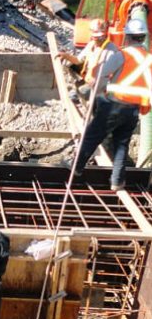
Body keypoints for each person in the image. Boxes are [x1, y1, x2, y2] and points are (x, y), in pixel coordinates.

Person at [73, 18, 152, 191]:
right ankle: (117, 181)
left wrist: (96, 85)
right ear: (143, 38)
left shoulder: (123, 54)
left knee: (91, 136)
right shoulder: (149, 60)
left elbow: (101, 72)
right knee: (121, 145)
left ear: (128, 37)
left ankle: (76, 169)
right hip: (133, 111)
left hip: (114, 106)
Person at [57, 18, 118, 99]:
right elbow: (78, 60)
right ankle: (80, 89)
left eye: (99, 37)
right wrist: (65, 55)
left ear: (104, 34)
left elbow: (112, 74)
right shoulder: (91, 44)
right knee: (69, 66)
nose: (96, 39)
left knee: (77, 94)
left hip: (100, 84)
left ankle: (90, 97)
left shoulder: (111, 50)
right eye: (94, 36)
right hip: (89, 78)